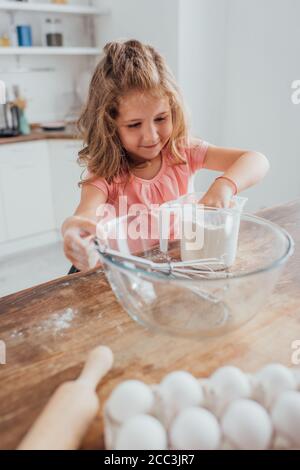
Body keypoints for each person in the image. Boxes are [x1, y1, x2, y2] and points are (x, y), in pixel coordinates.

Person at [62, 39, 269, 272]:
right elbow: (87, 213)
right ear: (110, 126)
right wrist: (77, 230)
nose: (151, 136)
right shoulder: (106, 172)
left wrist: (224, 186)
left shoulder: (182, 152)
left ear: (174, 110)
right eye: (134, 125)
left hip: (171, 266)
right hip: (122, 275)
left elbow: (256, 160)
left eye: (161, 118)